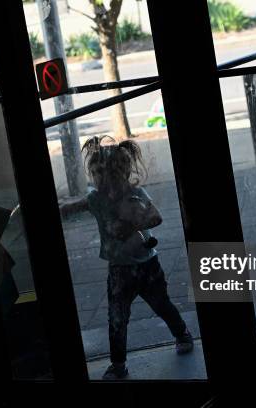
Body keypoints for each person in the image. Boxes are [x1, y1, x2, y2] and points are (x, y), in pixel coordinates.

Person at [63, 135, 194, 380]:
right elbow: (76, 206)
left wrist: (133, 223)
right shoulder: (96, 199)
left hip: (146, 264)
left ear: (123, 173)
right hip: (119, 270)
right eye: (99, 175)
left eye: (111, 175)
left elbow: (156, 217)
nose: (106, 182)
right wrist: (63, 209)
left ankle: (182, 333)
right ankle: (118, 363)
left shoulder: (136, 193)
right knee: (117, 316)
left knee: (161, 304)